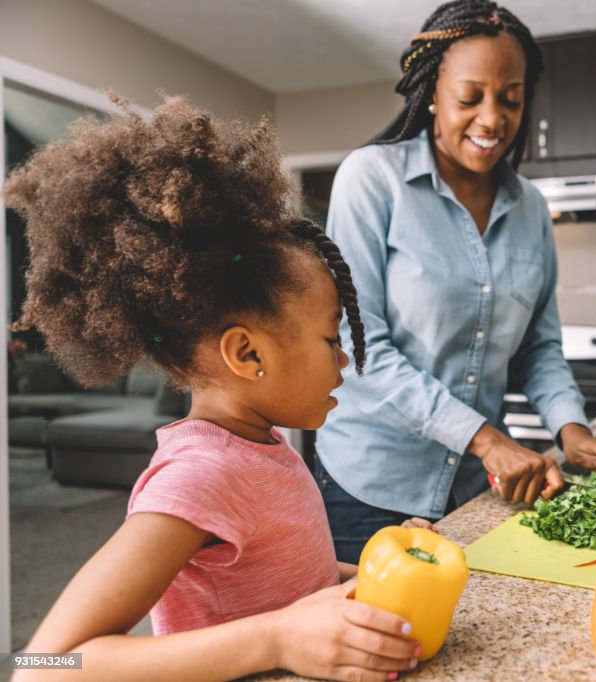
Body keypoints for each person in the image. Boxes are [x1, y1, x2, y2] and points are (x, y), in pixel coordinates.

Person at [5, 96, 427, 682]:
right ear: (247, 353)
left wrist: (380, 573)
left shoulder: (265, 446)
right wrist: (276, 639)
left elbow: (282, 582)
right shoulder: (200, 476)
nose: (345, 359)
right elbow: (43, 664)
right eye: (332, 339)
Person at [317, 0, 596, 564]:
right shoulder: (372, 180)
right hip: (370, 488)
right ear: (432, 92)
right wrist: (488, 439)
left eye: (511, 98)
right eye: (469, 96)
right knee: (380, 646)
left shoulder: (529, 210)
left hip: (474, 492)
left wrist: (571, 429)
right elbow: (361, 345)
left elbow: (540, 348)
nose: (492, 119)